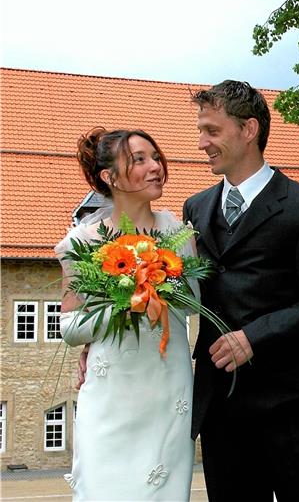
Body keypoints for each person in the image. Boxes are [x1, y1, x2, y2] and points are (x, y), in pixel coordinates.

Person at [183, 80, 299, 501]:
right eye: (201, 130)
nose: (202, 142)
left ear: (249, 129)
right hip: (219, 405)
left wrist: (252, 338)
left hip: (292, 403)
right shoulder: (195, 208)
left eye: (212, 131)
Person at [56, 127, 196, 500]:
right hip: (110, 394)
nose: (155, 167)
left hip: (169, 388)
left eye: (155, 157)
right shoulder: (82, 242)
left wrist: (163, 286)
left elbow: (195, 303)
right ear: (109, 176)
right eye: (139, 160)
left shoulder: (181, 233)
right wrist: (127, 302)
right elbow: (69, 326)